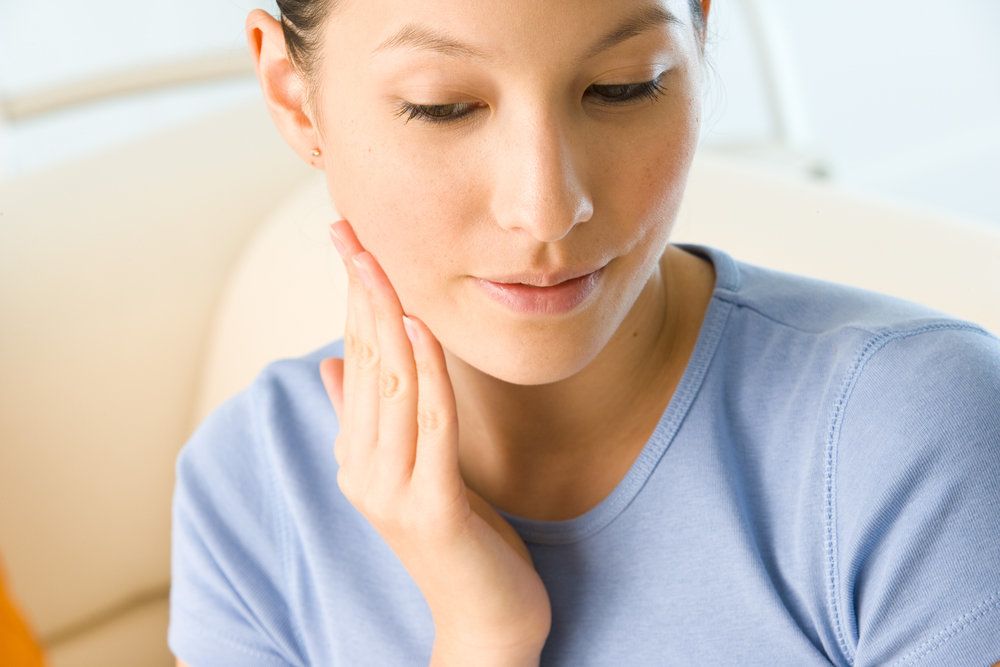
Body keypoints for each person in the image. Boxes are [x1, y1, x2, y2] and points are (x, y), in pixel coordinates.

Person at [168, 1, 1000, 665]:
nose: (549, 206)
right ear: (290, 92)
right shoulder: (251, 491)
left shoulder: (909, 440)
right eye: (443, 106)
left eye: (623, 86)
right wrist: (482, 638)